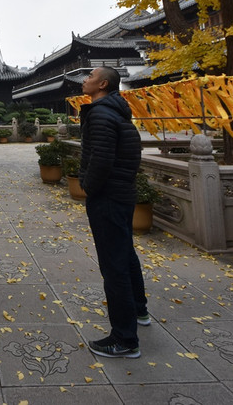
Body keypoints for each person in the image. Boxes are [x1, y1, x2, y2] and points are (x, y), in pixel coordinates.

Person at [78, 66, 148, 359]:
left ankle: (124, 338)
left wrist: (87, 187)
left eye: (90, 77)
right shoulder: (117, 111)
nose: (85, 80)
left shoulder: (101, 114)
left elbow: (102, 159)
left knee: (113, 264)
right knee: (124, 253)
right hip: (122, 193)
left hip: (108, 196)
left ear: (103, 84)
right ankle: (139, 310)